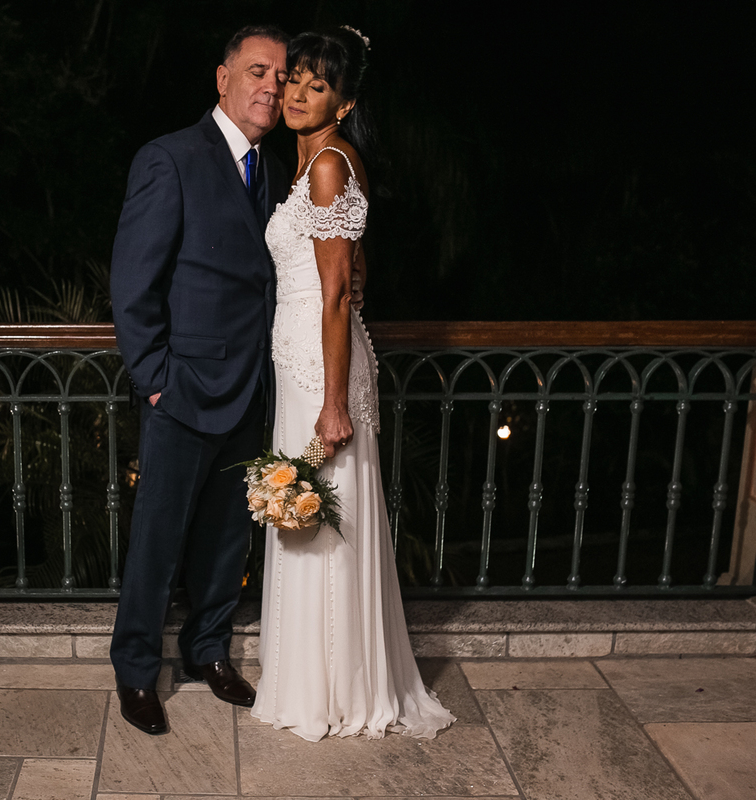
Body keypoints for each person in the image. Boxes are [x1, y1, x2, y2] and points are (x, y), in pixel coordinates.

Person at [250, 26, 456, 741]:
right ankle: (315, 679)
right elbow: (346, 266)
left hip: (322, 370)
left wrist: (335, 403)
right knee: (308, 516)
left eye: (317, 86)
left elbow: (337, 293)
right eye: (295, 80)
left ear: (344, 103)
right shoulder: (314, 164)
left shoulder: (330, 164)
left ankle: (334, 692)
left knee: (321, 520)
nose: (297, 94)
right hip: (303, 361)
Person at [108, 25, 292, 735]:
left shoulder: (273, 170)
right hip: (183, 390)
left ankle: (207, 649)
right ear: (223, 78)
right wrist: (155, 378)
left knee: (225, 538)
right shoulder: (171, 158)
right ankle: (135, 669)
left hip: (250, 389)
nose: (271, 86)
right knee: (158, 539)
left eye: (280, 75)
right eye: (257, 71)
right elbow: (134, 281)